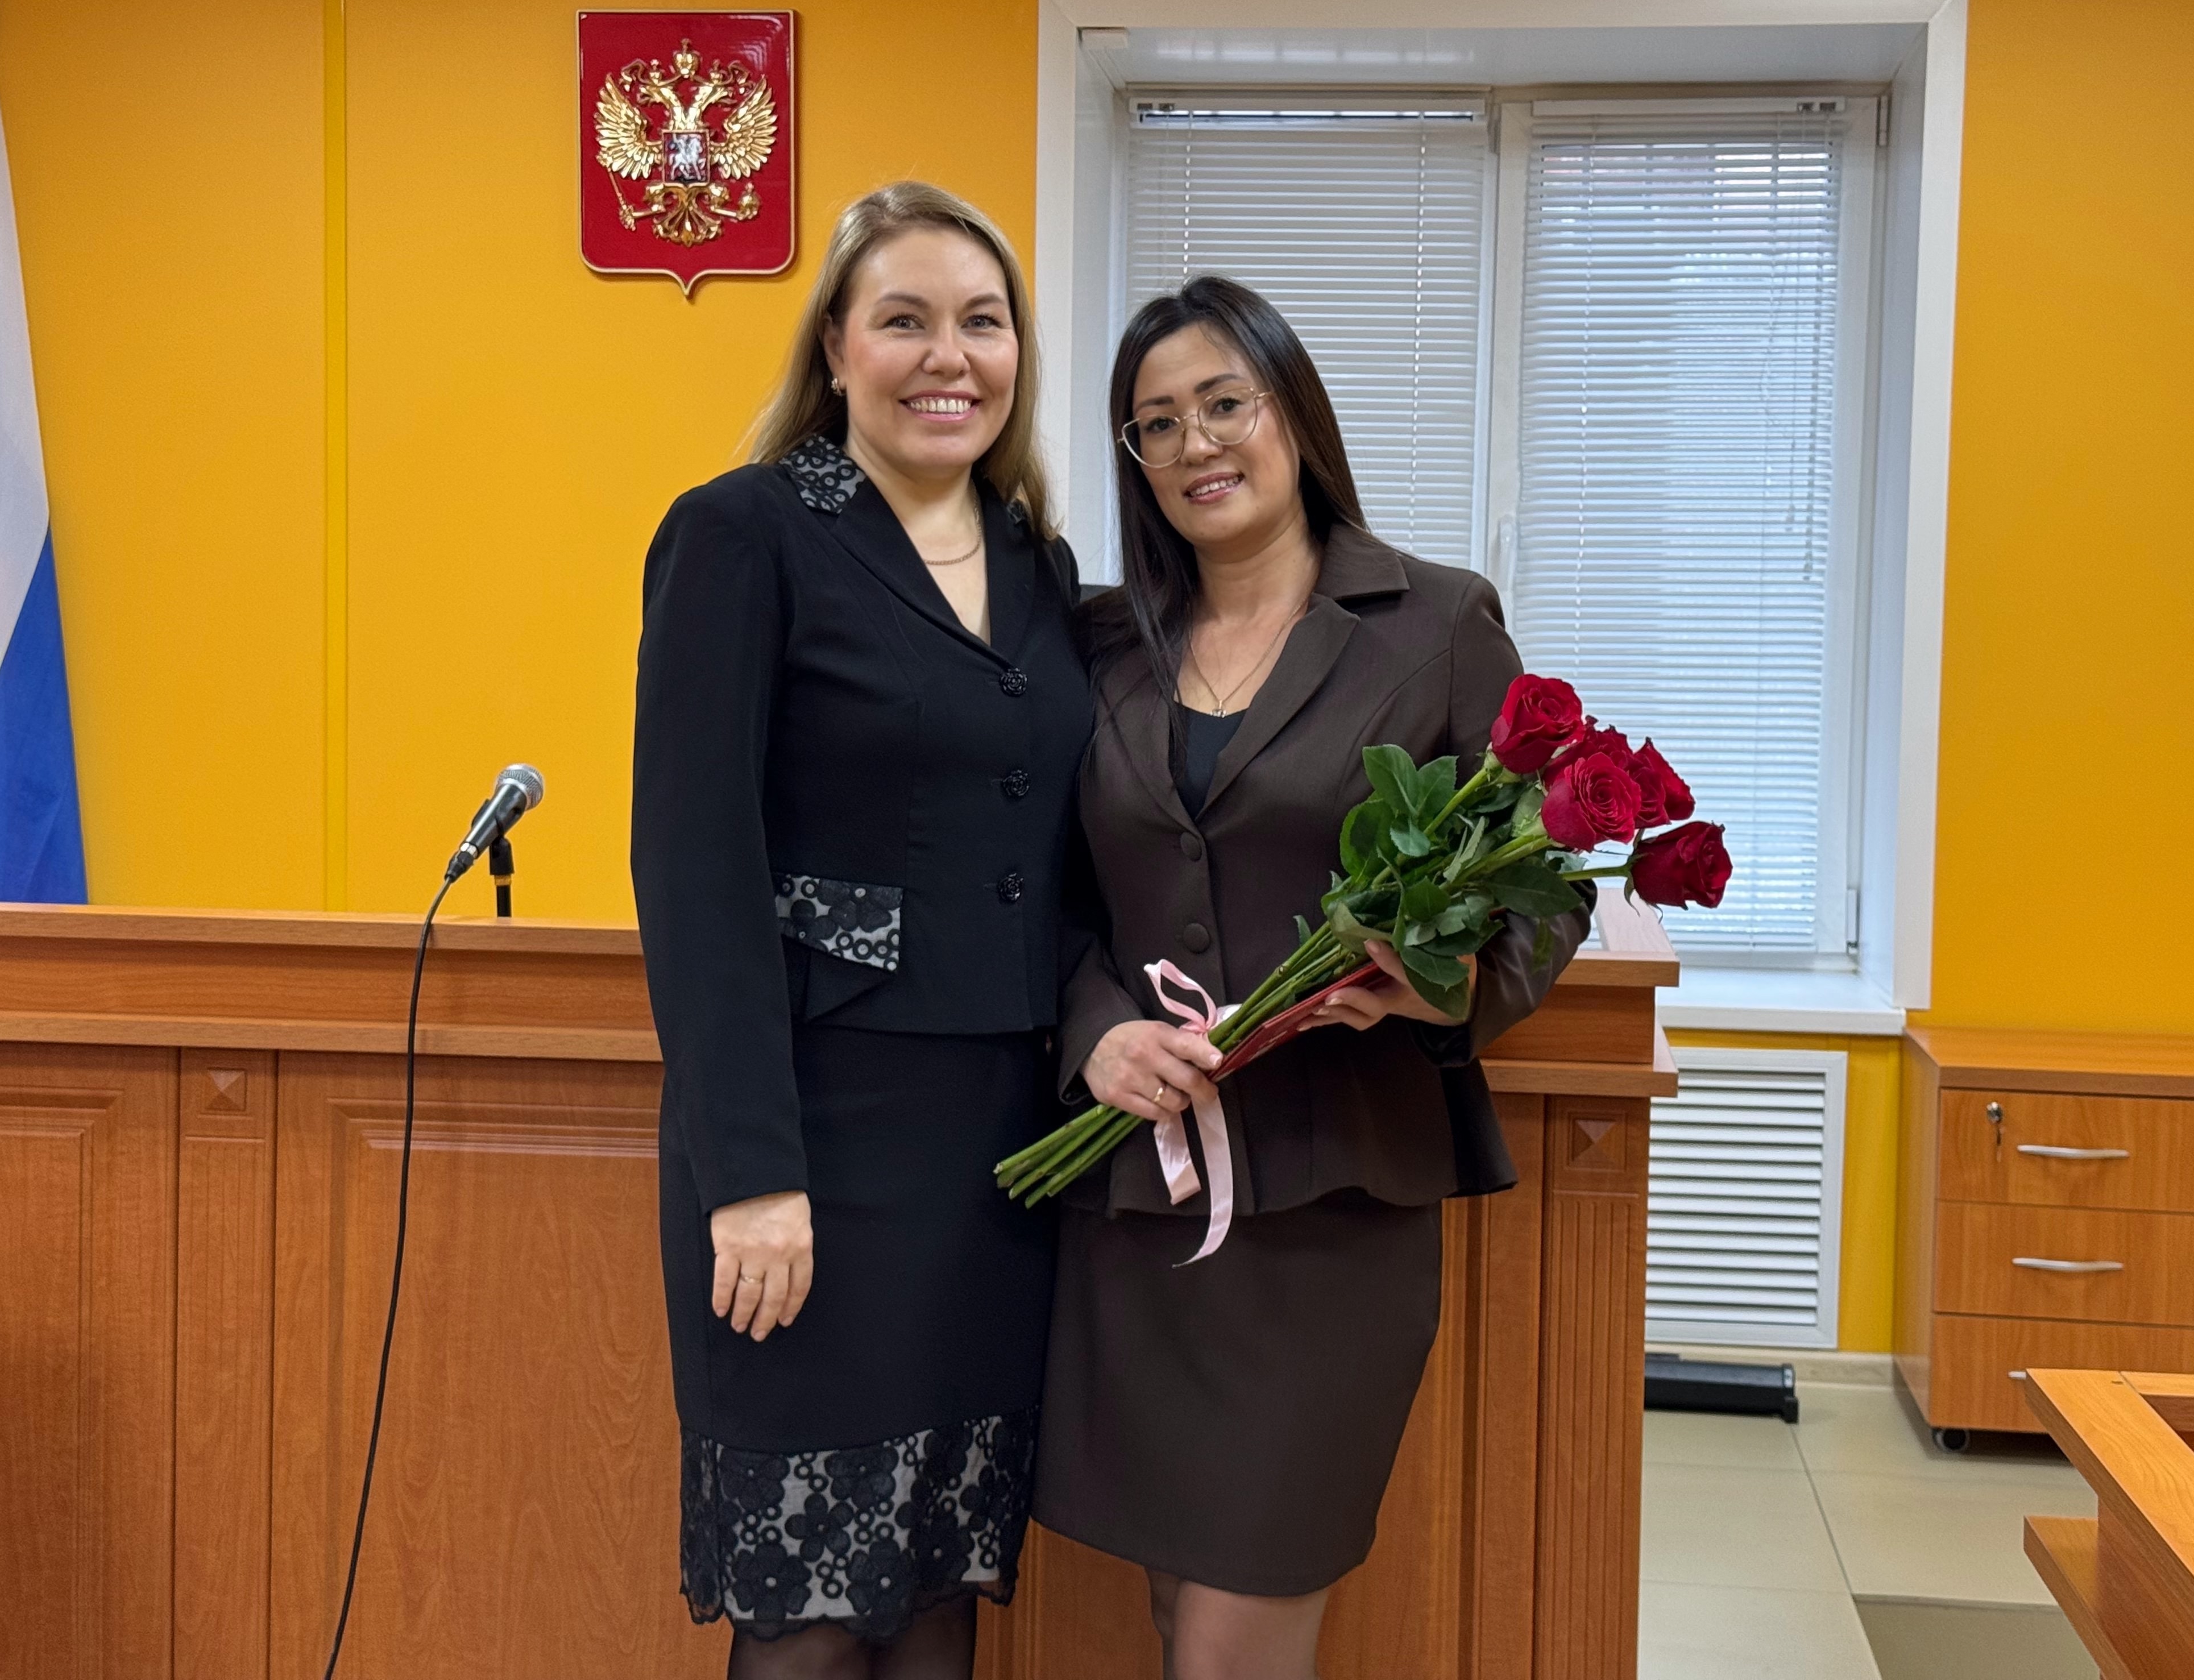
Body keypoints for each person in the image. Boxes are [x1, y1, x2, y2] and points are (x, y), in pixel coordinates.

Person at [1036, 276, 1596, 1680]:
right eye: (1157, 424)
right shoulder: (1100, 645)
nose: (1197, 444)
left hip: (1334, 1205)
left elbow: (1549, 883)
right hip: (1139, 1204)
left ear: (1291, 411)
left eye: (1224, 403)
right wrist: (1097, 1034)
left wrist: (1445, 984)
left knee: (1237, 1635)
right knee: (1176, 1612)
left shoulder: (1437, 623)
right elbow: (1047, 899)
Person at [631, 182, 1092, 1680]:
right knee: (812, 1620)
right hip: (815, 1147)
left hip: (998, 1160)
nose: (949, 356)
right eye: (905, 320)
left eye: (982, 322)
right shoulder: (744, 534)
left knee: (937, 1594)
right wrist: (751, 1176)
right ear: (836, 346)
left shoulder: (1036, 562)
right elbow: (694, 870)